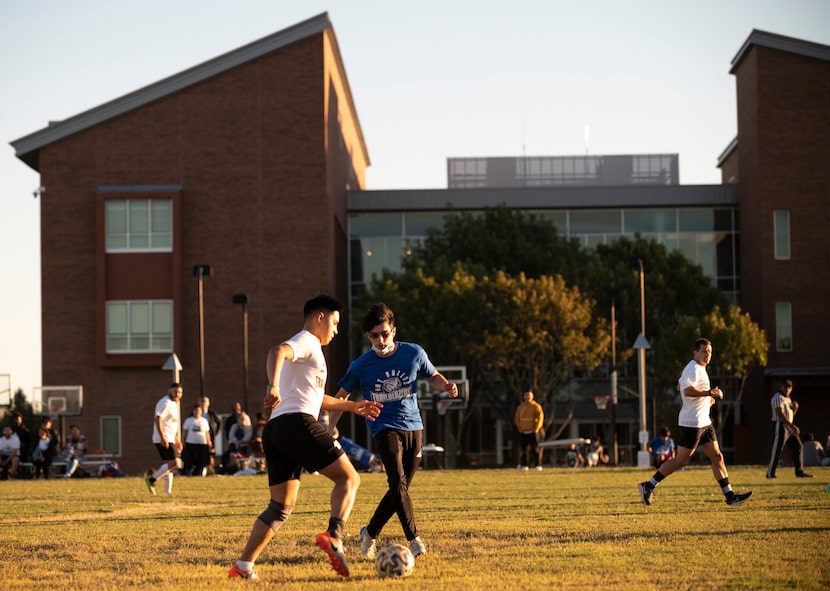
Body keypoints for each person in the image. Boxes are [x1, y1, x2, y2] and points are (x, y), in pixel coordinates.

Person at [228, 294, 383, 581]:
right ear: (320, 318)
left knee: (280, 507)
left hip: (275, 431)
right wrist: (273, 386)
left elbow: (314, 397)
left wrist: (352, 405)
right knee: (350, 478)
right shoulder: (307, 341)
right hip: (297, 423)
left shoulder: (312, 353)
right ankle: (335, 536)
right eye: (335, 323)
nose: (336, 331)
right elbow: (277, 351)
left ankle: (243, 567)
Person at [330, 302, 458, 561]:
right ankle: (414, 539)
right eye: (374, 335)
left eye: (384, 333)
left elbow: (432, 375)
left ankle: (370, 531)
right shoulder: (361, 365)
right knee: (397, 484)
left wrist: (446, 386)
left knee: (399, 489)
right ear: (368, 336)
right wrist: (328, 428)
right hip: (383, 427)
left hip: (414, 426)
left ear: (394, 331)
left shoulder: (413, 353)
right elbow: (340, 397)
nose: (380, 339)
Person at [637, 338, 752, 507]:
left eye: (710, 352)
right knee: (681, 461)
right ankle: (648, 485)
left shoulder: (699, 369)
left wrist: (707, 400)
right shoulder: (693, 368)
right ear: (695, 352)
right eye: (704, 351)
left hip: (704, 422)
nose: (708, 355)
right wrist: (709, 393)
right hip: (693, 423)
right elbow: (686, 390)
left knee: (717, 456)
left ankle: (730, 495)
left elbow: (679, 386)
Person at [766, 379, 813, 478]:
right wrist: (792, 426)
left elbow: (789, 415)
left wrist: (795, 409)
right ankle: (771, 473)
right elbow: (780, 415)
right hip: (780, 426)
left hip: (788, 427)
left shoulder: (788, 399)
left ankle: (799, 472)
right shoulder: (777, 397)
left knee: (798, 446)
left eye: (789, 387)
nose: (787, 389)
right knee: (777, 450)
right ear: (781, 387)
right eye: (785, 386)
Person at [145, 383, 183, 495]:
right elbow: (158, 419)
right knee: (175, 462)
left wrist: (176, 439)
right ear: (169, 391)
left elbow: (170, 423)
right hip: (164, 437)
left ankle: (167, 492)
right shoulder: (166, 402)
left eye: (180, 392)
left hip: (170, 437)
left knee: (168, 465)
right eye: (175, 391)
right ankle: (151, 480)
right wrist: (162, 437)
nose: (177, 394)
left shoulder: (174, 404)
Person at [515, 390, 544, 471]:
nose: (527, 397)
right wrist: (520, 428)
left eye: (529, 396)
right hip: (523, 431)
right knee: (523, 449)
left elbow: (540, 418)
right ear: (524, 397)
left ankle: (538, 465)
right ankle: (524, 465)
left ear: (532, 397)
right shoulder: (520, 407)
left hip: (533, 431)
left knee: (535, 449)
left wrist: (536, 428)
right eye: (526, 396)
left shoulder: (536, 406)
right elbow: (517, 419)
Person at [182, 404, 212, 476]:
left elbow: (207, 433)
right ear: (193, 411)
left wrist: (209, 442)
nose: (197, 412)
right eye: (196, 410)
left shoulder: (204, 421)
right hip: (191, 443)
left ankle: (199, 473)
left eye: (199, 411)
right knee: (189, 459)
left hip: (202, 444)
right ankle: (188, 473)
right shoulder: (189, 420)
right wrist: (182, 441)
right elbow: (184, 432)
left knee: (201, 460)